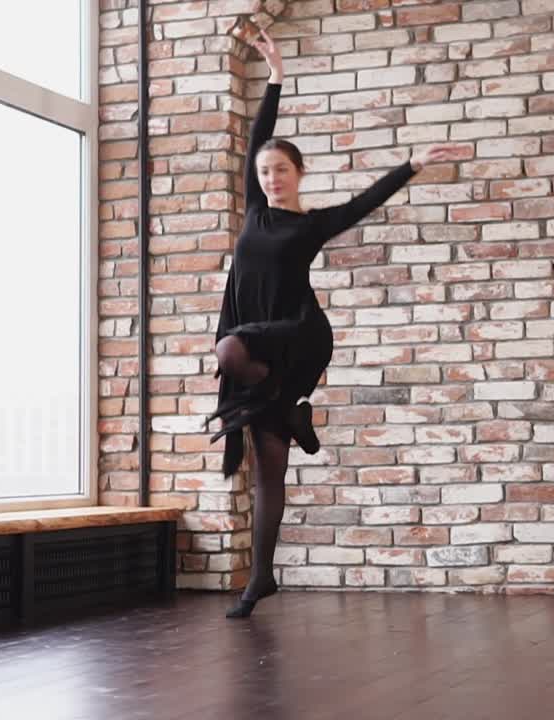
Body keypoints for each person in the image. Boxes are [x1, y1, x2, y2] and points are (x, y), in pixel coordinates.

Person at [206, 30, 453, 619]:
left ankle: (287, 407)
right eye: (265, 171)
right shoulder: (254, 209)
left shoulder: (311, 225)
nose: (271, 177)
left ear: (299, 173)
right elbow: (256, 138)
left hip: (294, 337)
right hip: (262, 349)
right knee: (269, 466)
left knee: (228, 351)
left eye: (281, 170)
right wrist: (275, 78)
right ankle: (260, 578)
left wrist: (410, 166)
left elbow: (366, 202)